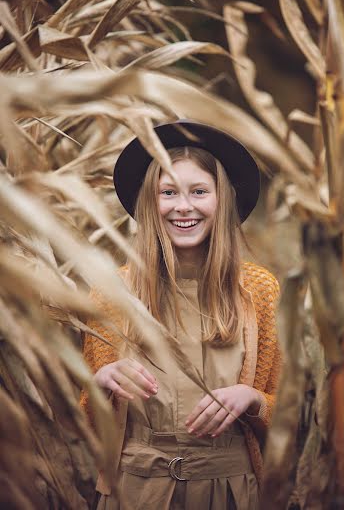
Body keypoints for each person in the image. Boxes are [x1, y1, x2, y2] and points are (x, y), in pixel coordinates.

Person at [81, 120, 281, 510]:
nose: (183, 206)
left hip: (231, 491)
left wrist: (253, 398)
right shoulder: (112, 293)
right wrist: (101, 382)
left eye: (199, 191)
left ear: (222, 200)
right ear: (149, 204)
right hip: (136, 491)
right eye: (168, 192)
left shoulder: (259, 290)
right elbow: (84, 423)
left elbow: (290, 412)